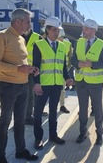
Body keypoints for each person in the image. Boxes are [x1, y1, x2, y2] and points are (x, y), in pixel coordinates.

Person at [0, 8, 39, 163]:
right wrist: (19, 69)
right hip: (8, 86)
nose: (29, 24)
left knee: (20, 121)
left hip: (23, 85)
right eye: (28, 21)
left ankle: (20, 150)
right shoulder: (1, 36)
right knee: (5, 122)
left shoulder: (21, 39)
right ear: (18, 21)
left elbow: (21, 62)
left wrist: (30, 69)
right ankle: (0, 156)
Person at [32, 16, 73, 150]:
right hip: (43, 85)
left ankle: (53, 135)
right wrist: (36, 83)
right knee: (38, 112)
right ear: (47, 30)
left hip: (57, 85)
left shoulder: (62, 46)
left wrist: (67, 78)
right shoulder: (39, 45)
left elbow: (62, 66)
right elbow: (35, 66)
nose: (57, 33)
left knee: (53, 112)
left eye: (58, 30)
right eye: (54, 30)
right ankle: (38, 138)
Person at [71, 19, 103, 146]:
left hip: (95, 83)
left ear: (93, 30)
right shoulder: (78, 43)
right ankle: (82, 132)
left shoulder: (102, 44)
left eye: (87, 28)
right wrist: (77, 64)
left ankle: (99, 134)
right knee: (83, 109)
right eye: (84, 28)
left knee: (98, 108)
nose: (84, 30)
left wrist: (92, 64)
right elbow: (73, 59)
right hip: (80, 82)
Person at [22, 29, 43, 125]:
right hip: (19, 71)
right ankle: (22, 116)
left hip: (32, 71)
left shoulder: (37, 37)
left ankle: (28, 116)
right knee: (20, 96)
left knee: (30, 95)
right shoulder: (17, 36)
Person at [58, 29, 72, 114]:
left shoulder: (67, 44)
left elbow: (70, 57)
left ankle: (62, 105)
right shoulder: (47, 42)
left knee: (62, 89)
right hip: (49, 71)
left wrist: (68, 69)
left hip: (63, 70)